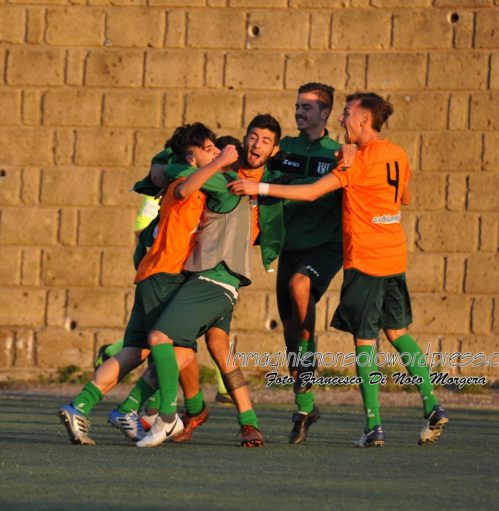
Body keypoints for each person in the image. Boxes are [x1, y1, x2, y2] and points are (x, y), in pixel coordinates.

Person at [228, 92, 449, 447]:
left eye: (347, 114)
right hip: (394, 258)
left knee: (364, 343)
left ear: (363, 121)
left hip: (365, 259)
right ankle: (432, 405)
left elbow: (314, 192)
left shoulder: (355, 161)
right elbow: (404, 197)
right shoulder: (397, 153)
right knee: (398, 333)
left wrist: (260, 187)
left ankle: (373, 426)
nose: (343, 119)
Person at [57, 123, 238, 445]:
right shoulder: (185, 177)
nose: (215, 152)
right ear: (191, 157)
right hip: (165, 275)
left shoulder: (188, 175)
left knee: (133, 352)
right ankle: (165, 416)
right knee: (177, 350)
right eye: (208, 149)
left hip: (151, 275)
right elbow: (182, 190)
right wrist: (220, 162)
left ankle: (79, 406)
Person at [136, 115, 285, 448]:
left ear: (274, 149)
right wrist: (160, 165)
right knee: (214, 345)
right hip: (209, 271)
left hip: (218, 273)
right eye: (252, 137)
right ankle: (244, 421)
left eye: (265, 140)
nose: (256, 144)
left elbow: (308, 185)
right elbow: (178, 160)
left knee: (167, 340)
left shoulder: (267, 177)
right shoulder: (223, 168)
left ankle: (151, 409)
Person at [267, 83, 343, 444]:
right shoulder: (284, 150)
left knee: (301, 286)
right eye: (298, 106)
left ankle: (310, 343)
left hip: (325, 246)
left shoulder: (339, 153)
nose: (300, 112)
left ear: (325, 113)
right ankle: (305, 408)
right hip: (290, 246)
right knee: (290, 333)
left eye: (308, 107)